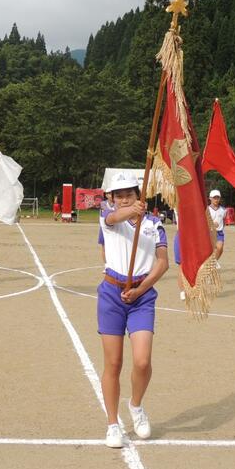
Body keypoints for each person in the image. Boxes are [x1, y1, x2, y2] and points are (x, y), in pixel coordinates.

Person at [98, 172, 168, 448]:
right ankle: (113, 424)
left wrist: (141, 289)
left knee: (142, 360)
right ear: (111, 199)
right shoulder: (109, 218)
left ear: (139, 195)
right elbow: (114, 218)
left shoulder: (154, 224)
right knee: (113, 363)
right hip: (111, 295)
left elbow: (162, 263)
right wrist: (128, 212)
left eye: (130, 193)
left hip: (141, 296)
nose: (125, 198)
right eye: (119, 195)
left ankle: (136, 406)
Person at [207, 190, 226, 268]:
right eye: (214, 198)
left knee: (220, 248)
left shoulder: (223, 210)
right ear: (210, 198)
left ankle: (215, 261)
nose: (216, 200)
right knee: (210, 250)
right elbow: (204, 221)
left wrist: (221, 227)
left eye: (217, 198)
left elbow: (223, 220)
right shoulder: (207, 209)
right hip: (209, 232)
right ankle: (211, 262)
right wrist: (211, 224)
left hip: (219, 232)